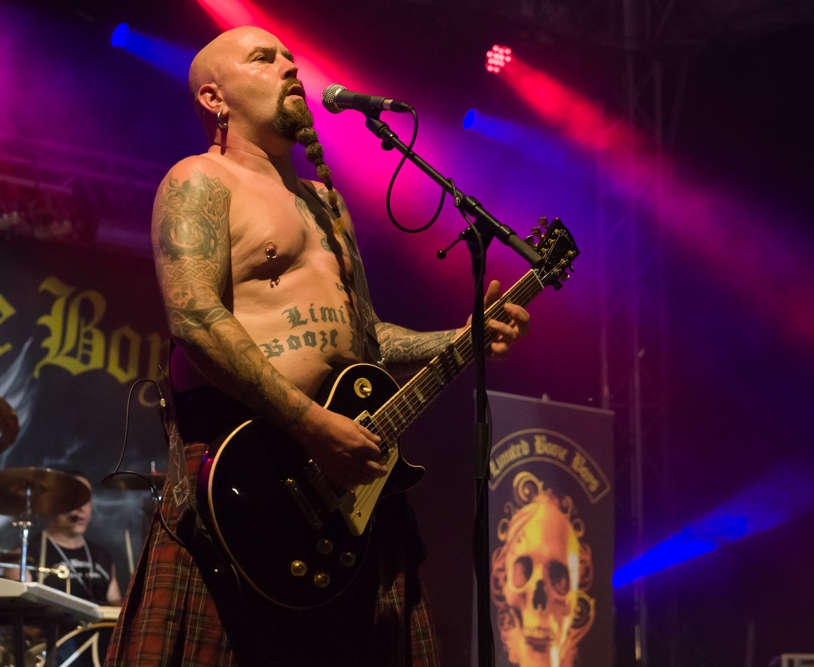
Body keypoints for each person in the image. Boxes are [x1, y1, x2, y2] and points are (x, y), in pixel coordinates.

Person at [105, 26, 529, 667]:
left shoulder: (326, 203)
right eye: (263, 58)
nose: (289, 66)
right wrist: (311, 424)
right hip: (243, 468)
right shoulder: (200, 180)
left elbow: (367, 335)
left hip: (341, 492)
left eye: (289, 56)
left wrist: (462, 336)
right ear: (215, 99)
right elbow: (195, 318)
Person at [3, 471, 122, 606]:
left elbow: (116, 611)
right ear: (52, 503)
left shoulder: (102, 556)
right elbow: (20, 614)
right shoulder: (26, 556)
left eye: (86, 500)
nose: (81, 508)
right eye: (74, 499)